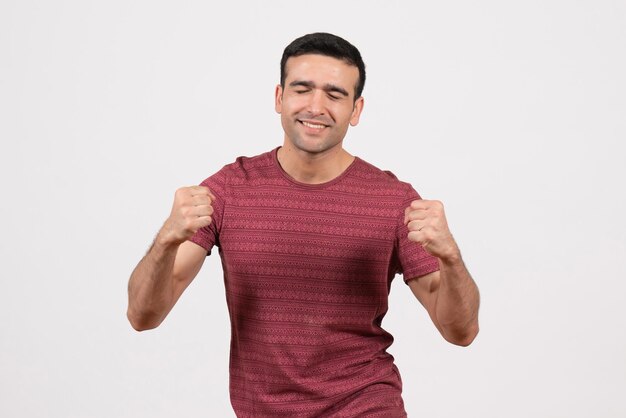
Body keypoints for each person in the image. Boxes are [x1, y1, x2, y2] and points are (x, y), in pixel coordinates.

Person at [127, 32, 480, 417]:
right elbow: (143, 315)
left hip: (366, 406)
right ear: (279, 98)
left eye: (334, 94)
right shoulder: (229, 189)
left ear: (356, 110)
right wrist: (166, 240)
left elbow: (460, 332)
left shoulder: (394, 200)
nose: (316, 106)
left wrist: (450, 257)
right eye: (302, 89)